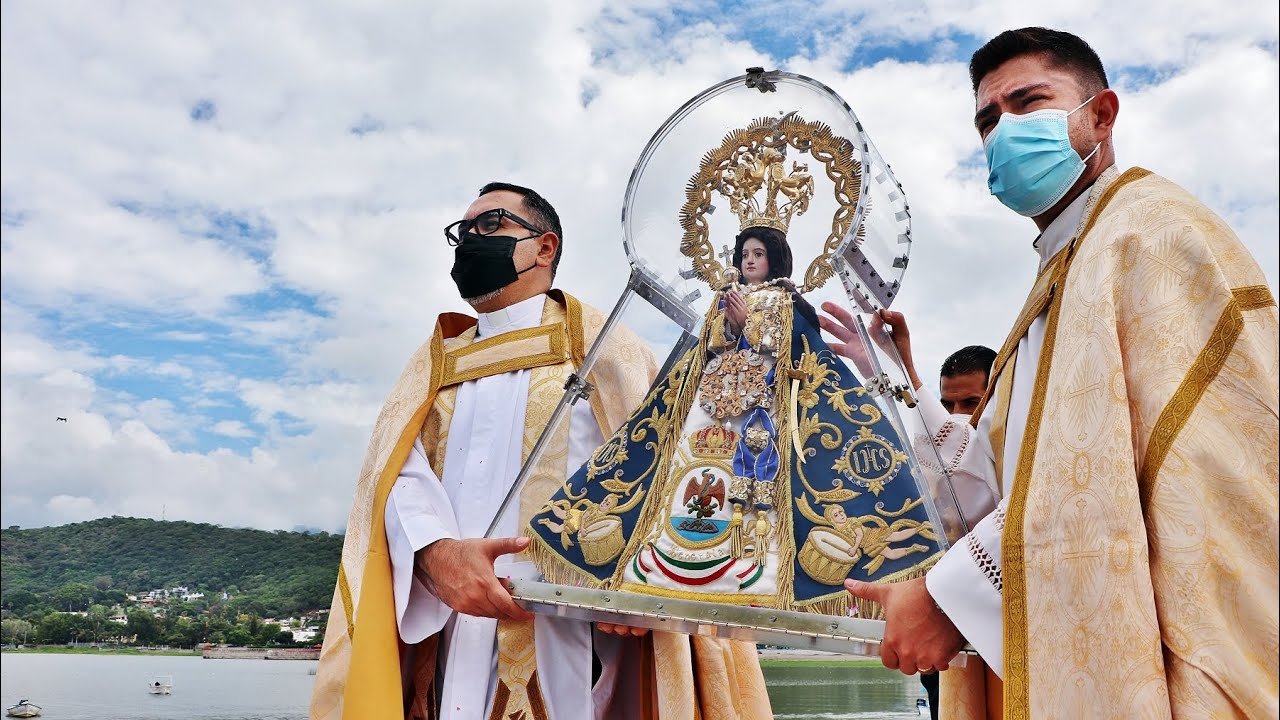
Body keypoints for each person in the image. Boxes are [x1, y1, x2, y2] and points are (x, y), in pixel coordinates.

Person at [837, 27, 1278, 718]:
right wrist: (890, 382)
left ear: (1100, 114)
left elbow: (1106, 483)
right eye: (988, 120)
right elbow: (993, 478)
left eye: (1027, 102)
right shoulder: (1061, 268)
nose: (1003, 131)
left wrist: (951, 596)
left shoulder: (1149, 234)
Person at [309, 182, 761, 720]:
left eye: (491, 225)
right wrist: (434, 554)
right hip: (451, 631)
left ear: (545, 248)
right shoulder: (433, 366)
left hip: (579, 639)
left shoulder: (608, 352)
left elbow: (681, 480)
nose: (470, 241)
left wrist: (655, 584)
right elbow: (395, 478)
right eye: (463, 232)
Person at [526, 209, 945, 627]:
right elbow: (706, 351)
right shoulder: (725, 299)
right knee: (672, 474)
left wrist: (750, 326)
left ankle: (760, 571)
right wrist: (726, 328)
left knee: (761, 487)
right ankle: (655, 562)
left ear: (775, 260)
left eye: (758, 254)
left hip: (763, 414)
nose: (748, 261)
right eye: (744, 253)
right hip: (709, 410)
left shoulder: (788, 301)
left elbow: (793, 352)